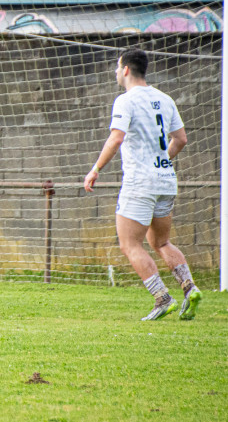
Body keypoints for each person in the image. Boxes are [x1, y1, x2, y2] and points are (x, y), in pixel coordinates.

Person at [84, 49, 202, 321]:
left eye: (117, 67)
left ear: (125, 69)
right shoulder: (165, 99)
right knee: (161, 242)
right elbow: (181, 139)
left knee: (129, 244)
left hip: (140, 183)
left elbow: (116, 139)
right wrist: (161, 160)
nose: (116, 72)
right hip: (165, 180)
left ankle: (162, 297)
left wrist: (95, 169)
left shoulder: (126, 101)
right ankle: (190, 288)